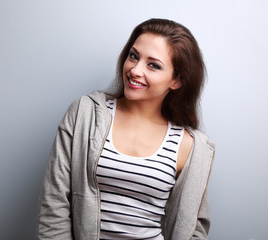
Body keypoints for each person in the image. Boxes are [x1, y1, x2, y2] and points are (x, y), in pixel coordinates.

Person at [37, 18, 215, 240]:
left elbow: (193, 228)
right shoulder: (85, 114)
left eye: (153, 65)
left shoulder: (190, 145)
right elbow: (54, 204)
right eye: (134, 56)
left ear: (176, 81)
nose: (135, 70)